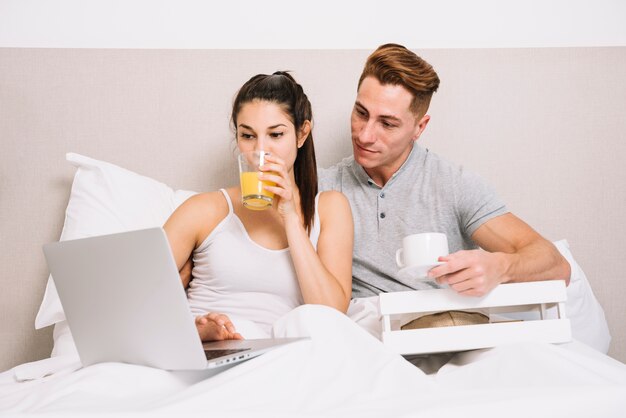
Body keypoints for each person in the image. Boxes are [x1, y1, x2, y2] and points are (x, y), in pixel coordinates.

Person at [319, 43, 571, 299]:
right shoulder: (325, 187)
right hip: (366, 329)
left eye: (387, 123)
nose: (365, 135)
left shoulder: (452, 185)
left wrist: (500, 267)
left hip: (444, 327)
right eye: (361, 113)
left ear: (419, 127)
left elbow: (557, 266)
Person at [165, 71, 353, 341]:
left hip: (283, 358)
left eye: (276, 134)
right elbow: (136, 299)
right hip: (208, 353)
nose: (260, 151)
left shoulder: (330, 208)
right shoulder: (204, 210)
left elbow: (330, 315)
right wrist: (196, 331)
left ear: (302, 134)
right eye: (248, 136)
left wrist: (290, 217)